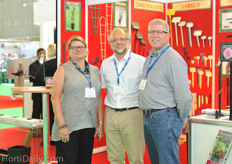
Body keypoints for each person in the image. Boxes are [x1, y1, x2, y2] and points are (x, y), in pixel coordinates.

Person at [139, 19, 192, 164]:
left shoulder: (173, 59)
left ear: (168, 35)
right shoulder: (150, 57)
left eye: (159, 32)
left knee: (168, 161)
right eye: (151, 31)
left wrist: (181, 119)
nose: (154, 35)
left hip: (165, 118)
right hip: (149, 118)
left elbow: (184, 96)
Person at [51, 36, 104, 164]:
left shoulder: (95, 70)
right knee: (67, 161)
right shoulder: (63, 69)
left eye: (81, 46)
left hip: (89, 126)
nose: (78, 49)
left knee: (85, 161)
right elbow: (55, 98)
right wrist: (62, 125)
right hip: (69, 126)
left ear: (86, 50)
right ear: (69, 51)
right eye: (74, 47)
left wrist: (100, 124)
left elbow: (99, 97)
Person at [101, 28, 145, 164]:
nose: (118, 42)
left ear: (129, 41)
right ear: (110, 43)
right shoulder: (106, 64)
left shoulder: (141, 62)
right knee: (114, 157)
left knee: (135, 157)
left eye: (122, 39)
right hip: (111, 114)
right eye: (114, 40)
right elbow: (105, 88)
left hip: (133, 113)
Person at [35, 44, 57, 145]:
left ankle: (47, 138)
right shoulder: (62, 62)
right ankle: (57, 137)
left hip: (49, 93)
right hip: (62, 93)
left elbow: (38, 76)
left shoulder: (46, 64)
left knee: (49, 115)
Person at [29, 48, 46, 119]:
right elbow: (32, 78)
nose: (43, 55)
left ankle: (44, 129)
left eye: (44, 54)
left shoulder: (47, 64)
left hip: (45, 92)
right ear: (37, 55)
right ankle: (34, 129)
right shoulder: (33, 65)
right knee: (36, 111)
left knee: (44, 112)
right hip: (37, 92)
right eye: (41, 54)